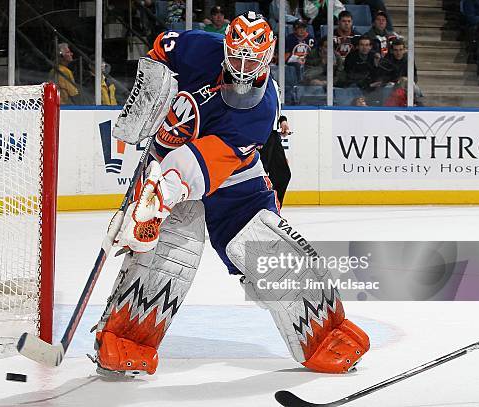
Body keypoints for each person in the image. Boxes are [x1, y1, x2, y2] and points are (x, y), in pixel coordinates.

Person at [93, 11, 370, 377]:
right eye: (235, 56)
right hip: (164, 164)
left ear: (267, 59)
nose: (241, 67)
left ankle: (322, 335)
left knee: (273, 252)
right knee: (165, 259)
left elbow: (198, 166)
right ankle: (124, 338)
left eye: (250, 60)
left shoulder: (259, 109)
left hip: (232, 180)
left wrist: (157, 200)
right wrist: (151, 96)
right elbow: (161, 48)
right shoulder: (197, 47)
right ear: (225, 46)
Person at [259, 115, 291, 207]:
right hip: (259, 133)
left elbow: (275, 110)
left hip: (273, 135)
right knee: (259, 177)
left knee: (283, 175)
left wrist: (282, 120)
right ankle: (258, 210)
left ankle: (274, 210)